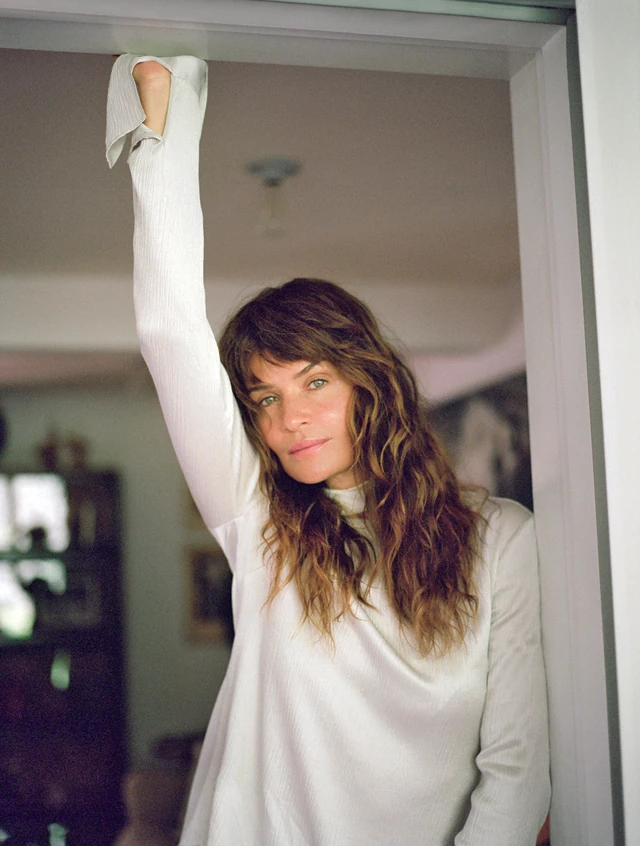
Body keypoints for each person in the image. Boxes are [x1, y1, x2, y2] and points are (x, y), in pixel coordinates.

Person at [106, 55, 550, 846]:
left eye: (315, 382)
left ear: (368, 383)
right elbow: (171, 333)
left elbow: (517, 768)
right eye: (265, 398)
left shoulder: (503, 540)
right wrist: (161, 118)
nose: (291, 419)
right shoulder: (261, 528)